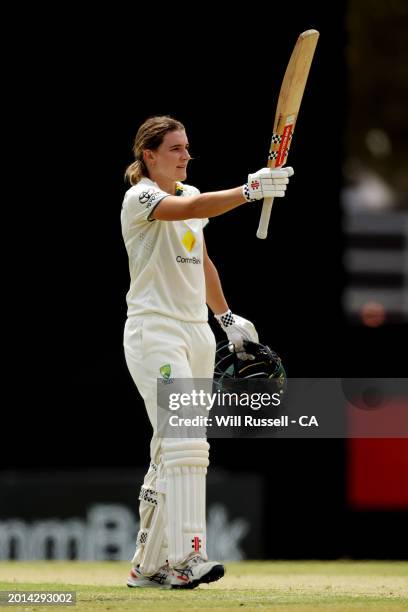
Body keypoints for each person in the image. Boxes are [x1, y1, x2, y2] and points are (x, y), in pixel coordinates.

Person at [121, 115, 293, 589]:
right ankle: (186, 559)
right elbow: (187, 211)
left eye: (187, 148)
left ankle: (147, 565)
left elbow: (201, 259)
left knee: (170, 451)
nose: (184, 155)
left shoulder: (189, 197)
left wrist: (226, 318)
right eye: (174, 148)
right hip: (155, 330)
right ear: (148, 155)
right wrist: (249, 190)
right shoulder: (141, 198)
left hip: (197, 331)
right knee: (185, 443)